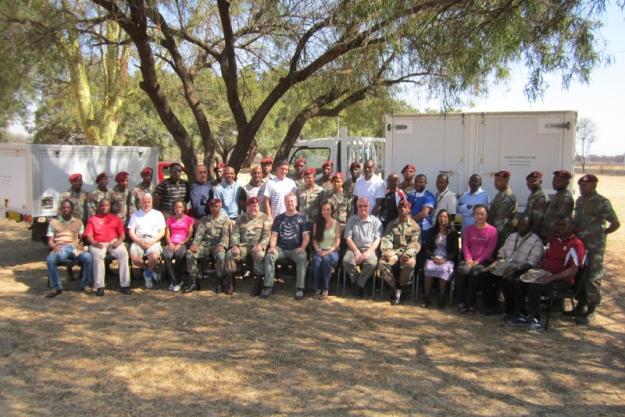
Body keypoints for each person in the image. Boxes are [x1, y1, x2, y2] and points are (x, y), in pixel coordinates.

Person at [512, 216, 586, 331]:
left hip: (562, 280)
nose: (560, 228)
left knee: (534, 286)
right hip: (545, 273)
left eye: (563, 225)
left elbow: (573, 269)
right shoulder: (553, 239)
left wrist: (552, 277)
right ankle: (522, 314)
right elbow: (545, 259)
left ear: (572, 227)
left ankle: (536, 319)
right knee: (519, 280)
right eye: (558, 225)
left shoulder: (576, 244)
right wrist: (532, 271)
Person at [572, 174, 620, 323]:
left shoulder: (602, 202)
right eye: (580, 185)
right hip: (580, 244)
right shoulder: (580, 201)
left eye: (585, 185)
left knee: (593, 276)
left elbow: (615, 223)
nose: (581, 188)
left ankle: (592, 308)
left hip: (594, 247)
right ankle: (580, 304)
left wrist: (601, 234)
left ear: (594, 185)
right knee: (580, 274)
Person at [489, 216, 544, 320]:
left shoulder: (536, 241)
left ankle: (515, 311)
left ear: (531, 226)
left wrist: (516, 269)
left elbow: (532, 262)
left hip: (523, 269)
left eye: (524, 225)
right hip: (507, 265)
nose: (520, 227)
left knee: (510, 279)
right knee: (486, 274)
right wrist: (499, 261)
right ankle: (493, 306)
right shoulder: (512, 236)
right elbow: (502, 251)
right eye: (519, 224)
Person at [261, 193, 310, 300]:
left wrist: (302, 248)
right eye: (288, 201)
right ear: (284, 203)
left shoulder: (303, 218)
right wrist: (272, 247)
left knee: (302, 257)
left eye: (292, 201)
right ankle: (268, 286)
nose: (290, 203)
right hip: (281, 249)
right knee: (269, 256)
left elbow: (306, 236)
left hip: (296, 249)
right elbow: (274, 235)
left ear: (296, 203)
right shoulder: (279, 218)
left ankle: (300, 288)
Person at [45, 199, 93, 298]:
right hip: (61, 247)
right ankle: (57, 287)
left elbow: (81, 239)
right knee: (50, 259)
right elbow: (50, 240)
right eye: (64, 208)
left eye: (68, 207)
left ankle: (85, 285)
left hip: (75, 246)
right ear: (60, 209)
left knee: (88, 257)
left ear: (72, 209)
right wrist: (54, 247)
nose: (66, 209)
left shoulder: (78, 222)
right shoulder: (53, 222)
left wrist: (80, 248)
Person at [454, 205, 498, 313]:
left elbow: (489, 250)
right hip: (469, 260)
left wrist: (477, 261)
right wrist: (469, 259)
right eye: (477, 214)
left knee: (475, 273)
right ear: (474, 215)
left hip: (483, 261)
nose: (479, 216)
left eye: (482, 214)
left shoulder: (493, 231)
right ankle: (461, 302)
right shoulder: (468, 229)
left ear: (486, 215)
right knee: (461, 271)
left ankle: (471, 303)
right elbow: (465, 245)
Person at [225, 197, 272, 296]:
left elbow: (267, 235)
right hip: (244, 246)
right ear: (246, 207)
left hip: (257, 246)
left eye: (255, 206)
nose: (253, 208)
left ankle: (258, 284)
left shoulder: (265, 218)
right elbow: (235, 233)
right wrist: (235, 245)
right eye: (250, 206)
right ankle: (230, 283)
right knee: (230, 254)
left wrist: (261, 245)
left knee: (259, 254)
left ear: (258, 206)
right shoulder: (241, 218)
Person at [377, 199, 421, 305]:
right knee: (383, 263)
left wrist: (408, 254)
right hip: (394, 252)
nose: (403, 209)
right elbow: (387, 239)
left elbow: (415, 243)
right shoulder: (392, 224)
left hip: (407, 252)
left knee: (410, 263)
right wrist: (387, 252)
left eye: (405, 207)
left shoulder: (415, 226)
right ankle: (396, 287)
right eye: (401, 207)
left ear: (409, 209)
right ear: (397, 209)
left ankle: (402, 286)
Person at [84, 198, 131, 296]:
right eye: (102, 205)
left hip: (113, 242)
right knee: (98, 256)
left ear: (110, 207)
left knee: (123, 253)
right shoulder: (92, 219)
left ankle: (125, 285)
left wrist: (118, 242)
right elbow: (89, 236)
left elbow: (122, 235)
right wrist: (95, 243)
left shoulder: (115, 218)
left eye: (107, 205)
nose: (104, 207)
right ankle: (100, 286)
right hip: (98, 243)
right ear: (98, 207)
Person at [184, 198, 231, 294]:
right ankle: (193, 281)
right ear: (209, 208)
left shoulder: (225, 220)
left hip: (217, 245)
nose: (214, 208)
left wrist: (222, 245)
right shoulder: (205, 219)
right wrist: (195, 244)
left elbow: (225, 235)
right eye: (212, 206)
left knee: (221, 256)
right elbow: (199, 234)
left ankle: (219, 281)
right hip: (205, 245)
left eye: (216, 206)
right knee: (190, 254)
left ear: (220, 206)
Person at [343, 197, 383, 297]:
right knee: (346, 261)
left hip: (369, 249)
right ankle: (360, 282)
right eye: (360, 206)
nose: (362, 208)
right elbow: (348, 239)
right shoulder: (352, 220)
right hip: (353, 248)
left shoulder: (376, 221)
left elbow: (377, 240)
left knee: (372, 263)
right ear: (357, 207)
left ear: (369, 207)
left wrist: (368, 253)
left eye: (365, 206)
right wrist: (356, 251)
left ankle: (358, 284)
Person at [127, 193, 166, 289]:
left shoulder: (158, 214)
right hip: (138, 240)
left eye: (149, 202)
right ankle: (149, 271)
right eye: (144, 202)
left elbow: (162, 232)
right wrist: (139, 242)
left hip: (153, 240)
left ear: (152, 202)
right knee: (135, 259)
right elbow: (131, 232)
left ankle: (147, 275)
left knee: (154, 257)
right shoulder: (135, 215)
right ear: (140, 203)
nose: (147, 204)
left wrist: (152, 241)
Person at [422, 209, 459, 308]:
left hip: (446, 258)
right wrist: (432, 257)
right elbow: (427, 248)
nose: (442, 219)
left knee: (443, 269)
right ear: (437, 218)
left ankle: (442, 297)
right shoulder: (432, 231)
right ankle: (427, 297)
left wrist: (444, 259)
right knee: (429, 267)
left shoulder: (453, 233)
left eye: (445, 217)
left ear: (449, 219)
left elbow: (455, 251)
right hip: (434, 257)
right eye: (440, 216)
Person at [311, 201, 341, 299]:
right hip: (320, 250)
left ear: (332, 211)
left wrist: (327, 252)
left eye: (328, 209)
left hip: (332, 251)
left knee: (326, 260)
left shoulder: (336, 224)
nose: (326, 212)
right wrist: (318, 250)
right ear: (321, 211)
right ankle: (317, 288)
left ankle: (325, 288)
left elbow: (337, 243)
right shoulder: (317, 223)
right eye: (324, 209)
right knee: (316, 260)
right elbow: (314, 241)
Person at [163, 199, 195, 292]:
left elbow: (189, 235)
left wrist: (182, 243)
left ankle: (178, 279)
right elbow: (167, 234)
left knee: (179, 255)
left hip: (182, 243)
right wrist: (169, 243)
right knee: (166, 255)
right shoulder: (170, 219)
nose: (178, 209)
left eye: (180, 207)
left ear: (184, 208)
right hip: (172, 243)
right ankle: (175, 282)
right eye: (176, 207)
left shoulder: (189, 220)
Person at [541, 170, 575, 241]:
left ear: (567, 183)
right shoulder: (559, 194)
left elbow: (560, 219)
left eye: (559, 180)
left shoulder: (565, 197)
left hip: (554, 234)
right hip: (549, 232)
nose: (554, 183)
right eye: (554, 180)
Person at [488, 170, 517, 249]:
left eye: (499, 181)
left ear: (506, 181)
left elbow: (500, 221)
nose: (496, 183)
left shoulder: (508, 197)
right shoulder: (500, 193)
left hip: (501, 235)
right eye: (495, 180)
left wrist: (490, 235)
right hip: (496, 232)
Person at [406, 174, 435, 242]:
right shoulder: (411, 194)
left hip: (423, 227)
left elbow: (424, 213)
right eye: (416, 181)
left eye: (421, 182)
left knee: (422, 249)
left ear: (426, 183)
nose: (418, 184)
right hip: (411, 227)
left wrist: (409, 222)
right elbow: (407, 209)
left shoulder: (429, 196)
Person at [523, 171, 548, 238]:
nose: (530, 183)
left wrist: (532, 235)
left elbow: (538, 219)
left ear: (540, 182)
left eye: (534, 181)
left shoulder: (541, 196)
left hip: (535, 233)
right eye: (529, 181)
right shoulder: (533, 194)